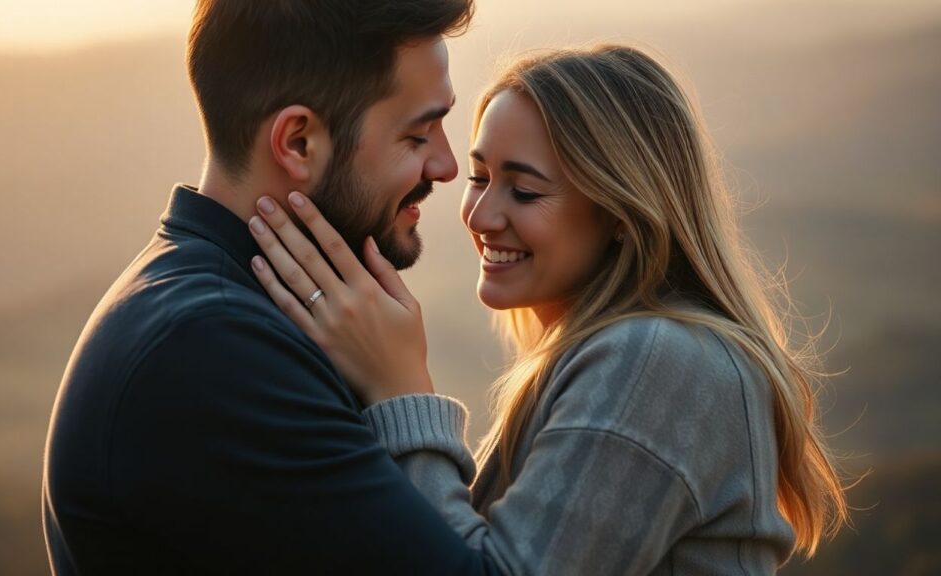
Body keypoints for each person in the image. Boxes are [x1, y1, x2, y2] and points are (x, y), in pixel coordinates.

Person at [247, 45, 850, 574]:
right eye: (479, 177)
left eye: (525, 190)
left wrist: (402, 395)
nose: (480, 217)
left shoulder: (660, 361)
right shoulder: (604, 356)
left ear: (620, 211)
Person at [42, 1, 506, 574]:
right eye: (416, 136)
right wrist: (404, 395)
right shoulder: (211, 349)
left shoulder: (225, 307)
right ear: (298, 143)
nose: (446, 166)